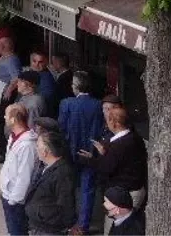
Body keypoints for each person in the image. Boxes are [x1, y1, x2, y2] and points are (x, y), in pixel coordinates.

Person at [78, 106, 147, 227]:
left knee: (115, 228)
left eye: (108, 120)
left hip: (123, 196)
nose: (106, 124)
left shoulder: (118, 145)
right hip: (135, 190)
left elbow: (106, 168)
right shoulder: (135, 137)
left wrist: (90, 159)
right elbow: (122, 162)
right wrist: (104, 153)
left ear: (115, 123)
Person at [58, 71, 104, 235]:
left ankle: (69, 221)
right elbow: (99, 129)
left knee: (68, 187)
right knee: (87, 188)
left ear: (76, 86)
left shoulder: (66, 103)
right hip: (90, 153)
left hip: (70, 153)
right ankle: (83, 226)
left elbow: (61, 128)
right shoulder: (98, 105)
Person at [24, 132, 77, 236]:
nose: (36, 149)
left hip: (49, 229)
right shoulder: (47, 166)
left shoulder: (62, 173)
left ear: (45, 151)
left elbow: (66, 205)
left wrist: (44, 216)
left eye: (38, 146)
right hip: (40, 225)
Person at [0, 103, 39, 236]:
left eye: (6, 115)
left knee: (18, 231)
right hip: (8, 193)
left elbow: (25, 175)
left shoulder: (27, 145)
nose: (4, 117)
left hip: (15, 199)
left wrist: (14, 199)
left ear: (13, 119)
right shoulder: (14, 137)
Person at [0, 71, 46, 163]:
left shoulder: (33, 103)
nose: (17, 84)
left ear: (28, 85)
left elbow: (31, 128)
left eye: (20, 81)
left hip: (23, 144)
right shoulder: (25, 97)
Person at [29, 50, 60, 116]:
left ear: (46, 63)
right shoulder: (36, 74)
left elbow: (44, 100)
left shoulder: (46, 79)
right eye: (34, 61)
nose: (36, 65)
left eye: (40, 62)